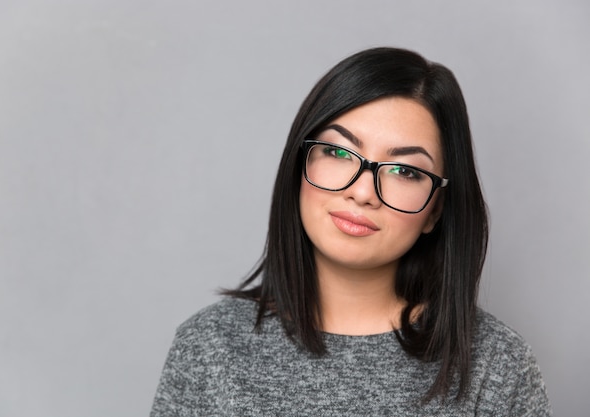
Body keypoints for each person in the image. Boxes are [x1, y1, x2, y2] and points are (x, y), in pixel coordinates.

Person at [150, 47, 552, 416]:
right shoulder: (210, 347)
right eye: (339, 152)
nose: (362, 193)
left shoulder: (497, 364)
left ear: (435, 210)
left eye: (405, 171)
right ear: (298, 164)